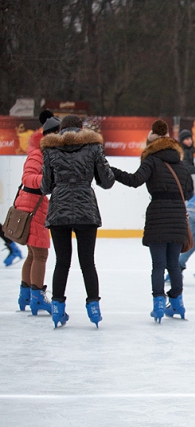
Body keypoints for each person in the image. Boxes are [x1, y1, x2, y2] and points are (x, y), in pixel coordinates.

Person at [111, 120, 193, 322]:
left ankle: (158, 303)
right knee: (173, 263)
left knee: (158, 264)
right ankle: (177, 303)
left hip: (158, 214)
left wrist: (110, 170)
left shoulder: (151, 161)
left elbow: (134, 181)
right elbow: (189, 192)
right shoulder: (181, 165)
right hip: (177, 217)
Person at [41, 115, 115, 328]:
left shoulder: (50, 150)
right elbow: (107, 180)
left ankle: (57, 309)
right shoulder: (92, 147)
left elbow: (45, 186)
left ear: (60, 130)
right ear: (81, 129)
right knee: (87, 261)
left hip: (59, 210)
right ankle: (94, 308)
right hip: (85, 209)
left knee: (62, 261)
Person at [15, 115, 59, 315]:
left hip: (34, 203)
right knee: (41, 253)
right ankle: (37, 298)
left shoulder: (45, 152)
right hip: (33, 205)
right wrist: (48, 179)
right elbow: (28, 177)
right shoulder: (38, 153)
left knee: (33, 254)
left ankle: (25, 295)